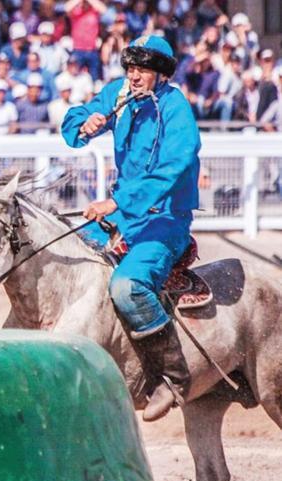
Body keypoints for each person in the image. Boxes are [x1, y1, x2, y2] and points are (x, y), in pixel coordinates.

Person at [61, 36, 200, 422]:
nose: (134, 76)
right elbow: (73, 125)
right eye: (130, 69)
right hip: (125, 215)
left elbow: (173, 168)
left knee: (127, 285)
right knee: (66, 258)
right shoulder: (118, 94)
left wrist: (118, 203)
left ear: (160, 73)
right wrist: (84, 125)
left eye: (142, 70)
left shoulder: (177, 109)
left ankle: (173, 377)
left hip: (166, 219)